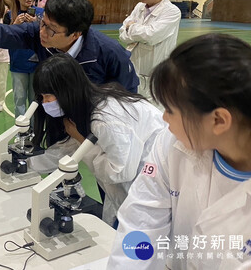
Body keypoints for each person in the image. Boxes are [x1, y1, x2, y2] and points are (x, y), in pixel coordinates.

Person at [107, 34, 251, 269]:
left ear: (218, 120)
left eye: (171, 110)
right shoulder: (172, 144)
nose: (164, 119)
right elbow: (141, 223)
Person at [27, 53, 165, 226]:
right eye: (42, 97)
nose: (45, 102)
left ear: (66, 90)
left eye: (48, 96)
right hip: (130, 192)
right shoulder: (84, 107)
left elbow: (119, 172)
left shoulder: (106, 119)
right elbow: (67, 150)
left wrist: (79, 138)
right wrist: (26, 164)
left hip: (151, 187)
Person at [0, 0, 139, 93]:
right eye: (43, 23)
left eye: (51, 29)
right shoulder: (39, 32)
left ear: (76, 34)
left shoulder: (109, 53)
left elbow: (128, 93)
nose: (42, 32)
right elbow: (9, 34)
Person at [119, 0, 181, 100]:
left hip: (155, 76)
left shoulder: (172, 11)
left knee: (154, 113)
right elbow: (122, 34)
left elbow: (151, 35)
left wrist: (132, 28)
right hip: (133, 71)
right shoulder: (139, 7)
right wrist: (133, 30)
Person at [4, 0, 43, 119]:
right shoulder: (10, 15)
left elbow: (46, 36)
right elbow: (5, 37)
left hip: (36, 64)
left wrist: (36, 23)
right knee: (19, 99)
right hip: (18, 64)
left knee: (35, 101)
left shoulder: (41, 14)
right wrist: (15, 25)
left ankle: (35, 131)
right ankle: (21, 132)